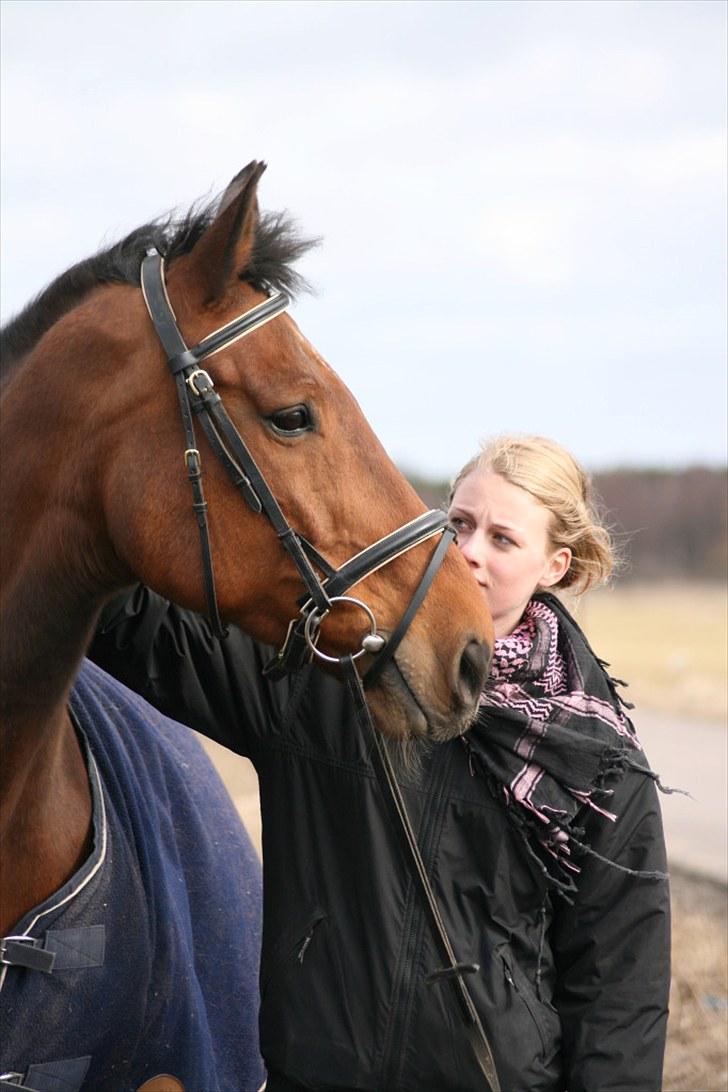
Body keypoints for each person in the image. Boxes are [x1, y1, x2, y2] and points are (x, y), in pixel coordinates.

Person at [88, 434, 670, 1092]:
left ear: (554, 566)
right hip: (317, 1073)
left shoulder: (598, 763)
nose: (470, 553)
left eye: (503, 540)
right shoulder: (334, 677)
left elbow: (621, 997)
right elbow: (141, 628)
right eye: (459, 524)